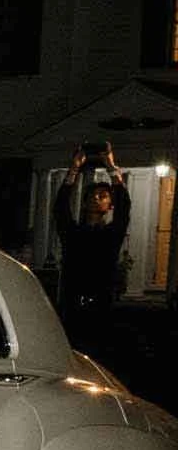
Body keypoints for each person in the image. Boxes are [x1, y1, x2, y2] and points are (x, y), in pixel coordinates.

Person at [54, 140, 130, 342]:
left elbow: (124, 210)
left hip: (101, 306)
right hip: (72, 305)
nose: (97, 199)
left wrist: (112, 168)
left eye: (103, 196)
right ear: (85, 202)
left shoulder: (111, 234)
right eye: (93, 196)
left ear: (109, 205)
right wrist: (74, 169)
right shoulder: (74, 232)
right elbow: (60, 210)